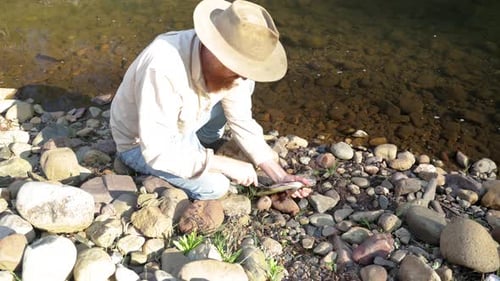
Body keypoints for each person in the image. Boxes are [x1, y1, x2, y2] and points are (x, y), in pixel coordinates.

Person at [110, 0, 312, 200]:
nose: (242, 75)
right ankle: (195, 153)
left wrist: (280, 176)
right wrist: (223, 164)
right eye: (238, 67)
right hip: (140, 144)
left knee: (243, 87)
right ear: (213, 47)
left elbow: (241, 120)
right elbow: (158, 151)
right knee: (216, 186)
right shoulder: (163, 66)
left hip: (185, 124)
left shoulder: (234, 71)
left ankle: (204, 143)